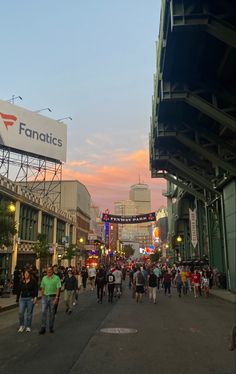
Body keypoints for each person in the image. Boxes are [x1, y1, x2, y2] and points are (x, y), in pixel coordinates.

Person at [39, 266, 61, 334]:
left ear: (52, 271)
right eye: (47, 271)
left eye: (50, 270)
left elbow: (58, 288)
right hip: (45, 297)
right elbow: (42, 287)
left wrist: (57, 298)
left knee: (52, 313)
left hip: (53, 297)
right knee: (43, 312)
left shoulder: (56, 278)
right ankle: (43, 327)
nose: (48, 272)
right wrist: (42, 296)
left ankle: (51, 327)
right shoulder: (44, 278)